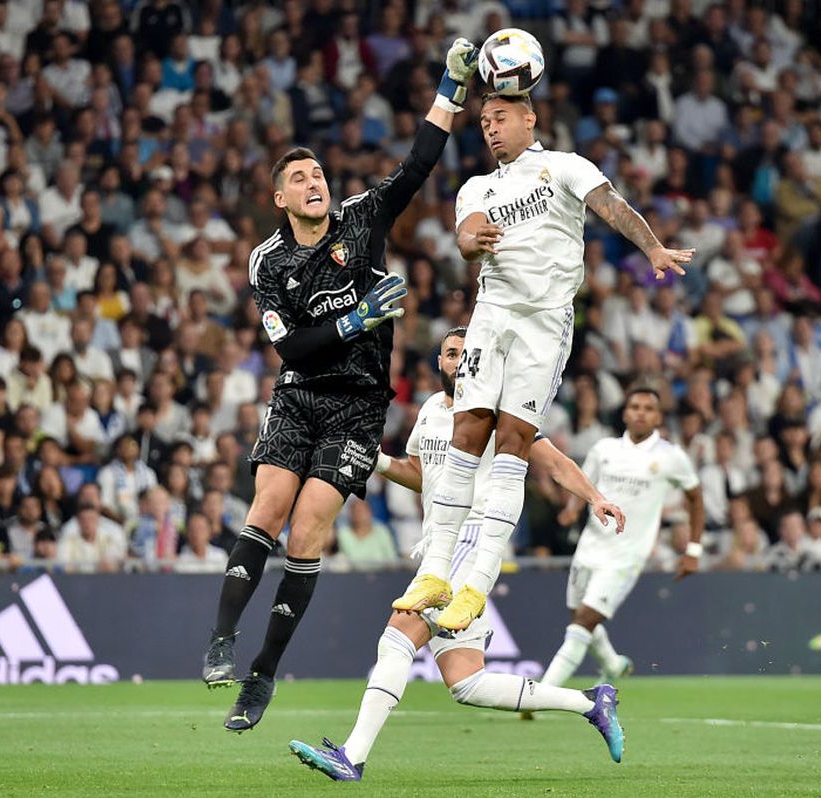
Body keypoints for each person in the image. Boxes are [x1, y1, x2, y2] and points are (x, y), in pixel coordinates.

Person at [202, 37, 481, 733]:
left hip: (358, 406)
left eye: (317, 172)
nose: (313, 181)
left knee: (308, 531)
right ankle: (221, 639)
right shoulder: (268, 262)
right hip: (300, 391)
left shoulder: (361, 219)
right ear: (279, 198)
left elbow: (418, 163)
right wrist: (358, 316)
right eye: (298, 178)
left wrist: (450, 87)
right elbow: (290, 345)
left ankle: (261, 677)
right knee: (267, 506)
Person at [392, 90, 693, 632]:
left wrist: (650, 248)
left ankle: (475, 584)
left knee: (513, 445)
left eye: (500, 118)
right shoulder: (477, 186)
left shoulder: (563, 167)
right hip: (492, 312)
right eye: (483, 121)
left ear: (530, 119)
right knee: (466, 433)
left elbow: (611, 205)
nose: (490, 128)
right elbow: (465, 235)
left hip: (544, 322)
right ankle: (436, 571)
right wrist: (470, 240)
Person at [289, 328, 627, 781]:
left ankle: (352, 755)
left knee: (396, 637)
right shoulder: (430, 410)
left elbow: (554, 463)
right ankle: (591, 701)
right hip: (438, 544)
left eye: (467, 353)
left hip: (472, 540)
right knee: (468, 683)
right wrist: (375, 461)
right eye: (451, 353)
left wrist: (595, 497)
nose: (459, 360)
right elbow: (421, 475)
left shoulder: (497, 413)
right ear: (440, 362)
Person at [532, 387, 704, 713]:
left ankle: (541, 696)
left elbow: (695, 498)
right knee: (579, 619)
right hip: (590, 547)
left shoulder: (670, 456)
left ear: (658, 416)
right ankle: (611, 665)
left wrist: (693, 550)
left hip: (626, 556)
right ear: (625, 412)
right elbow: (585, 485)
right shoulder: (604, 449)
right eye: (635, 406)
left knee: (582, 623)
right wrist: (571, 508)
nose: (640, 412)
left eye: (648, 408)